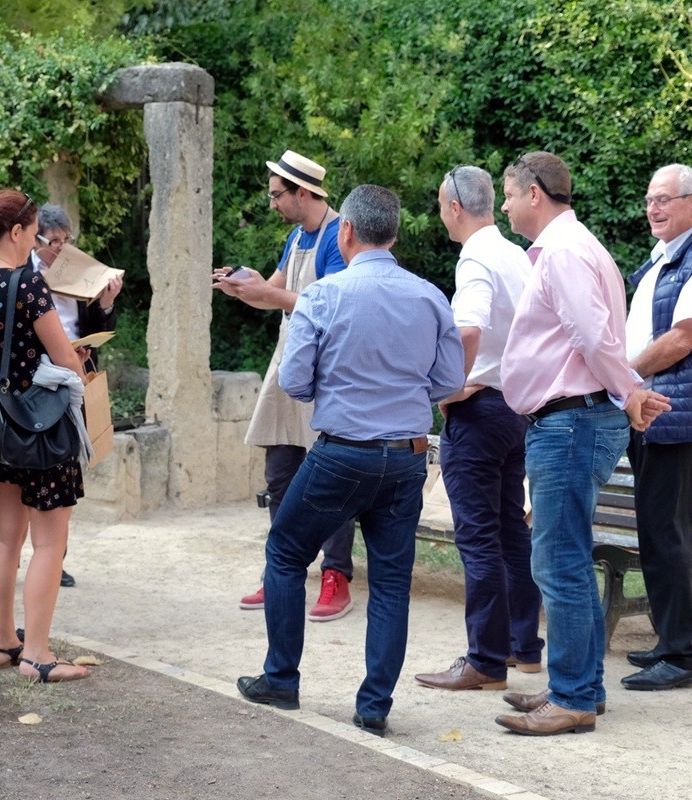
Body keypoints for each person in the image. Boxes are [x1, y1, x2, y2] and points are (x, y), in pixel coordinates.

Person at [235, 184, 465, 738]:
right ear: (394, 234)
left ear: (346, 232)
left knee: (286, 552)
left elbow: (294, 380)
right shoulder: (431, 297)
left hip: (341, 452)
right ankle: (374, 706)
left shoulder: (323, 295)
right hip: (408, 457)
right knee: (390, 582)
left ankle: (282, 679)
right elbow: (450, 381)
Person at [493, 152, 669, 736]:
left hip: (571, 421)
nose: (505, 204)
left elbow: (593, 337)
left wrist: (629, 390)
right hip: (576, 419)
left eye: (510, 194)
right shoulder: (575, 247)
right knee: (566, 558)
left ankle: (571, 698)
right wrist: (626, 393)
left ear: (536, 194)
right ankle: (581, 687)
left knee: (558, 561)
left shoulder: (564, 253)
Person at [212, 150, 357, 622]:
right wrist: (246, 286)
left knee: (333, 477)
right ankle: (283, 569)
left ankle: (337, 576)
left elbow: (332, 303)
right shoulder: (296, 236)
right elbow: (277, 291)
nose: (272, 203)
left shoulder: (340, 236)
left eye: (277, 194)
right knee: (279, 474)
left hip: (328, 373)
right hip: (288, 366)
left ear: (303, 193)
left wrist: (269, 293)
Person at [414, 165, 543, 692]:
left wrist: (448, 388)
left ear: (453, 207)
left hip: (482, 410)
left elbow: (467, 328)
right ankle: (523, 647)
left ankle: (485, 661)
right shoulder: (516, 254)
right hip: (517, 408)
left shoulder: (475, 258)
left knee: (478, 535)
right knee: (512, 529)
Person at [0, 189, 89, 684]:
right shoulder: (28, 285)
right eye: (34, 234)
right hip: (39, 428)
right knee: (50, 544)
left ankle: (4, 642)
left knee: (4, 539)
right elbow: (65, 358)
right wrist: (78, 359)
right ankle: (37, 654)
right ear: (15, 232)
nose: (36, 242)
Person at [620, 164, 692, 691]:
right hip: (651, 409)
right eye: (649, 200)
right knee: (660, 530)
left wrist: (623, 376)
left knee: (667, 533)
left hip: (675, 415)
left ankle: (684, 654)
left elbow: (684, 337)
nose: (654, 209)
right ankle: (674, 641)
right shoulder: (661, 260)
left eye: (665, 199)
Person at [26, 203, 122, 588]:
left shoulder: (80, 270)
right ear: (35, 241)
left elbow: (99, 325)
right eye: (54, 241)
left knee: (67, 469)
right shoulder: (23, 274)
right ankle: (31, 556)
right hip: (39, 380)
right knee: (34, 472)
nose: (61, 248)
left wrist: (107, 302)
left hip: (77, 377)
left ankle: (55, 560)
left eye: (67, 240)